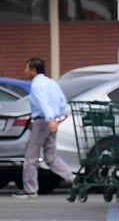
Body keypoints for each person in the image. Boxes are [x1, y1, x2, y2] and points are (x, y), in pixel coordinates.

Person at [13, 58, 73, 199]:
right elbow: (62, 101)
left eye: (27, 68)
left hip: (42, 122)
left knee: (31, 156)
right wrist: (55, 118)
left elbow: (42, 103)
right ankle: (70, 177)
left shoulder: (37, 85)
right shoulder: (52, 83)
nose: (25, 71)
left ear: (34, 70)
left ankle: (30, 189)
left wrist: (49, 118)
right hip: (52, 121)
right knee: (51, 155)